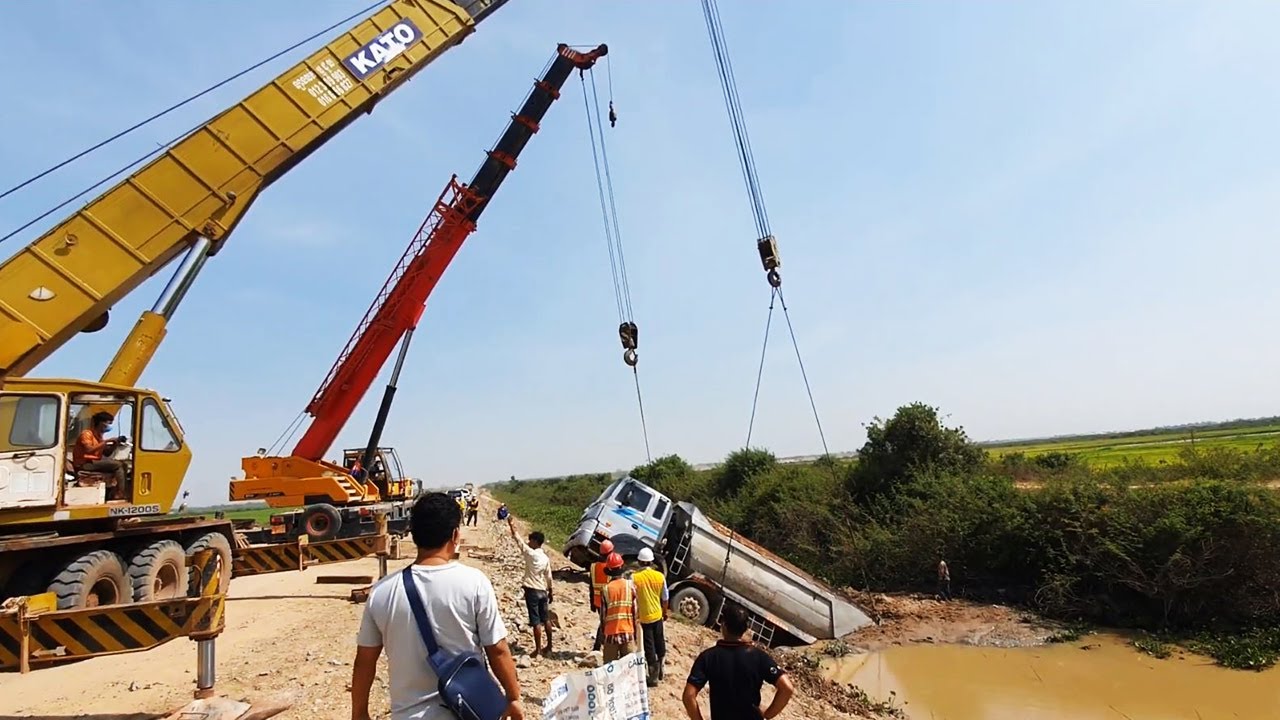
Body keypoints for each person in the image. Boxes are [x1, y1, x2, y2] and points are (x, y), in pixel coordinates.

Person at [351, 492, 523, 720]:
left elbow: (364, 661)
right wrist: (513, 697)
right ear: (455, 535)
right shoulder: (474, 582)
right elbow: (497, 649)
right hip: (467, 712)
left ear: (413, 534)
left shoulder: (382, 592)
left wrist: (359, 713)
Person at [683, 605, 795, 720]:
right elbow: (787, 688)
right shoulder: (759, 656)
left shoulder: (708, 657)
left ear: (723, 625)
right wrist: (768, 714)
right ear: (746, 628)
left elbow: (689, 696)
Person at [507, 516, 554, 657]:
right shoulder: (545, 558)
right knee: (546, 619)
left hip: (531, 590)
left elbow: (518, 540)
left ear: (534, 542)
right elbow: (549, 576)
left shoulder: (530, 554)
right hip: (542, 591)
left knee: (535, 621)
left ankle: (538, 649)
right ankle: (550, 646)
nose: (529, 542)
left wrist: (511, 525)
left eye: (530, 540)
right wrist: (550, 591)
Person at [633, 547, 669, 687]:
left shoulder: (635, 578)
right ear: (651, 562)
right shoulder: (659, 576)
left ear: (640, 562)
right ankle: (661, 668)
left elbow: (633, 599)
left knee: (649, 647)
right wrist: (664, 612)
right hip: (658, 615)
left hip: (645, 617)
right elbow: (665, 597)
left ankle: (653, 676)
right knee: (660, 641)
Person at [72, 411, 127, 499]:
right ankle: (120, 493)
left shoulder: (99, 437)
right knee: (118, 465)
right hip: (84, 463)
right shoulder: (86, 434)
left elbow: (107, 453)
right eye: (109, 423)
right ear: (101, 423)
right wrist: (106, 442)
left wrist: (115, 443)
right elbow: (89, 450)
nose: (110, 426)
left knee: (122, 464)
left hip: (94, 462)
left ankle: (114, 491)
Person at [599, 552, 637, 664]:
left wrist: (603, 632)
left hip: (611, 634)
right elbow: (635, 611)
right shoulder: (630, 586)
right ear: (621, 567)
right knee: (628, 668)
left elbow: (603, 615)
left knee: (609, 669)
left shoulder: (606, 589)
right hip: (627, 631)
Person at [587, 539, 615, 651]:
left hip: (597, 601)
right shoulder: (610, 568)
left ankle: (599, 646)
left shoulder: (593, 566)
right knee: (605, 624)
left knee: (603, 622)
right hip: (608, 601)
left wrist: (592, 602)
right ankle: (598, 646)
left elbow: (591, 586)